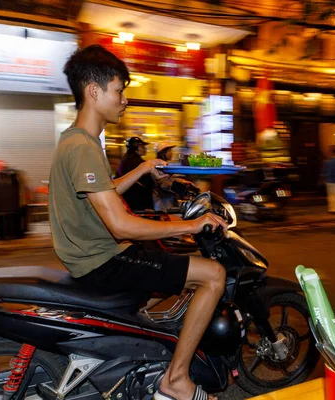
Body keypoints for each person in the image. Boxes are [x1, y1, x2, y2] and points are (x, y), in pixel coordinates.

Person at [50, 44, 226, 400]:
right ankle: (175, 379)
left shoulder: (75, 140)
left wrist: (144, 168)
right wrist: (191, 225)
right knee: (213, 275)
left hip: (90, 257)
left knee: (160, 254)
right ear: (94, 91)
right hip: (102, 261)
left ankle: (144, 350)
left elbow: (102, 190)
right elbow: (121, 226)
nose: (124, 100)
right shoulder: (84, 147)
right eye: (120, 90)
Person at [115, 136, 155, 210]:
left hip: (127, 202)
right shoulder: (140, 164)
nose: (145, 149)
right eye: (142, 146)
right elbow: (149, 182)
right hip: (139, 203)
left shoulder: (124, 161)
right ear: (136, 148)